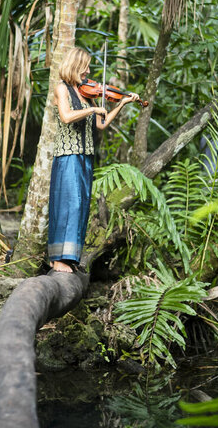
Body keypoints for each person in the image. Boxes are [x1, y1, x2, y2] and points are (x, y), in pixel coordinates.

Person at [48, 47, 139, 273]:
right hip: (68, 155)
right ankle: (57, 259)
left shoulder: (86, 93)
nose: (88, 71)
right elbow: (66, 116)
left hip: (85, 157)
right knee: (68, 205)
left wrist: (121, 103)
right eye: (85, 66)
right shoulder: (62, 89)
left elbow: (101, 123)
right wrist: (93, 110)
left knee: (81, 206)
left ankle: (71, 258)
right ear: (74, 66)